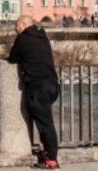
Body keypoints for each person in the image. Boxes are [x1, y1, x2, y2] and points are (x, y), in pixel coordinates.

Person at [8, 15, 60, 169]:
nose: (15, 29)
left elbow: (12, 57)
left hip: (38, 86)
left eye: (16, 26)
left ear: (23, 25)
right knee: (46, 120)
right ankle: (48, 153)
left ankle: (51, 158)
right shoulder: (43, 36)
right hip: (51, 84)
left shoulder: (23, 38)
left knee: (45, 124)